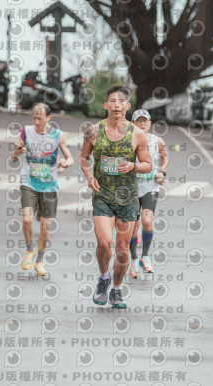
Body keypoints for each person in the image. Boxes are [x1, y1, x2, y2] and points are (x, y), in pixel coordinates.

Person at [80, 85, 152, 309]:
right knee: (104, 243)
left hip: (128, 199)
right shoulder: (93, 131)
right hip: (102, 196)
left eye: (121, 102)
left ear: (127, 106)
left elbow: (148, 165)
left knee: (122, 249)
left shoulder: (137, 134)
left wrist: (133, 166)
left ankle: (117, 290)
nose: (117, 105)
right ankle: (104, 278)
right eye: (112, 101)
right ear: (106, 105)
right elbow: (84, 157)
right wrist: (89, 175)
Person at [10, 103, 74, 276]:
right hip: (28, 182)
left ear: (48, 118)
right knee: (27, 219)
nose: (36, 121)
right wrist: (16, 153)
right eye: (34, 118)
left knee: (46, 226)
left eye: (40, 118)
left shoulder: (58, 135)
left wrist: (64, 163)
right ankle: (29, 250)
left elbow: (70, 159)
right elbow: (13, 158)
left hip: (49, 185)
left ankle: (40, 261)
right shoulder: (26, 132)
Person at [128, 109, 169, 278]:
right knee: (132, 227)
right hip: (131, 188)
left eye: (145, 121)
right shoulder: (128, 140)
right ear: (133, 123)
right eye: (138, 121)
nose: (142, 124)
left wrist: (162, 171)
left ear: (150, 123)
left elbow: (165, 156)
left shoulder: (157, 141)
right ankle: (133, 259)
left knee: (147, 221)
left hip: (151, 187)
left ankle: (145, 256)